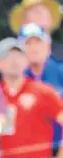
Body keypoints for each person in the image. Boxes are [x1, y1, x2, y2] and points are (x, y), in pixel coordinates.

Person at [0, 37, 63, 158]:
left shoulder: (43, 91)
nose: (14, 61)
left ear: (26, 61)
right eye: (8, 57)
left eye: (19, 56)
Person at [19, 23, 63, 155]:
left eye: (38, 42)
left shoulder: (60, 72)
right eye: (28, 44)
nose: (34, 48)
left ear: (48, 47)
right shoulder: (16, 78)